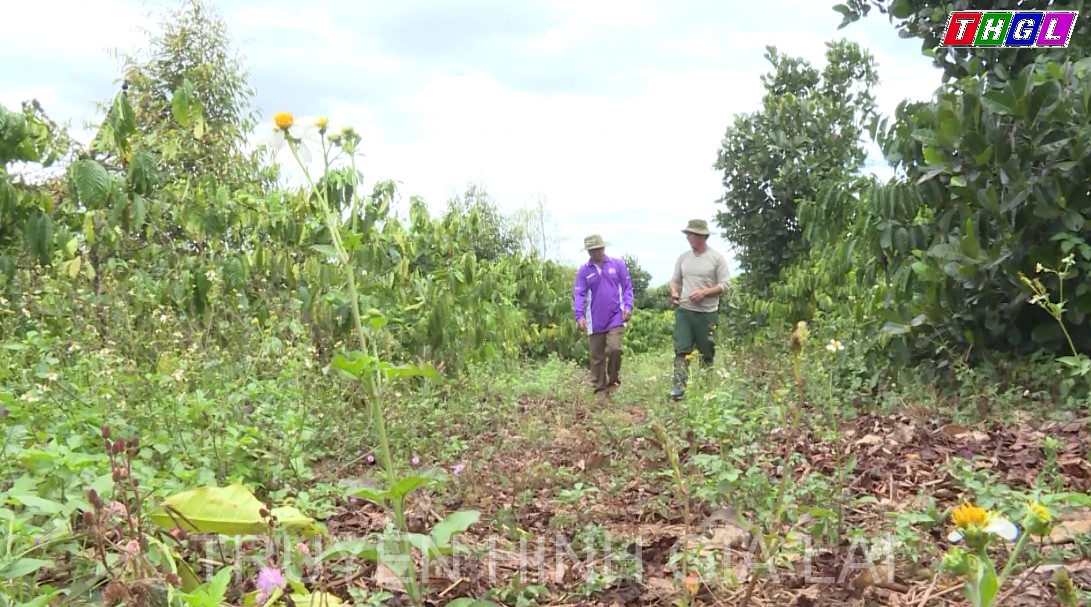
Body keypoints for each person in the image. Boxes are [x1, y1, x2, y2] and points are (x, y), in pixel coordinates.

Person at [669, 219, 730, 400]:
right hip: (685, 311)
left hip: (707, 313)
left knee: (707, 351)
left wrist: (705, 293)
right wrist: (674, 292)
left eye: (691, 234)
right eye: (687, 234)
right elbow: (675, 280)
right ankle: (678, 388)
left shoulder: (716, 258)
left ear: (702, 237)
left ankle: (706, 388)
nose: (688, 238)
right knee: (682, 349)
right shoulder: (683, 258)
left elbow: (725, 285)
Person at [573, 234, 634, 399]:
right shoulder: (584, 271)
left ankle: (613, 381)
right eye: (592, 251)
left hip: (616, 315)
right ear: (588, 252)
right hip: (594, 317)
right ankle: (600, 390)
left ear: (603, 248)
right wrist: (579, 316)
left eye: (598, 249)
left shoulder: (617, 264)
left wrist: (628, 306)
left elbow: (627, 287)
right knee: (596, 355)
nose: (596, 253)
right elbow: (579, 294)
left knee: (615, 348)